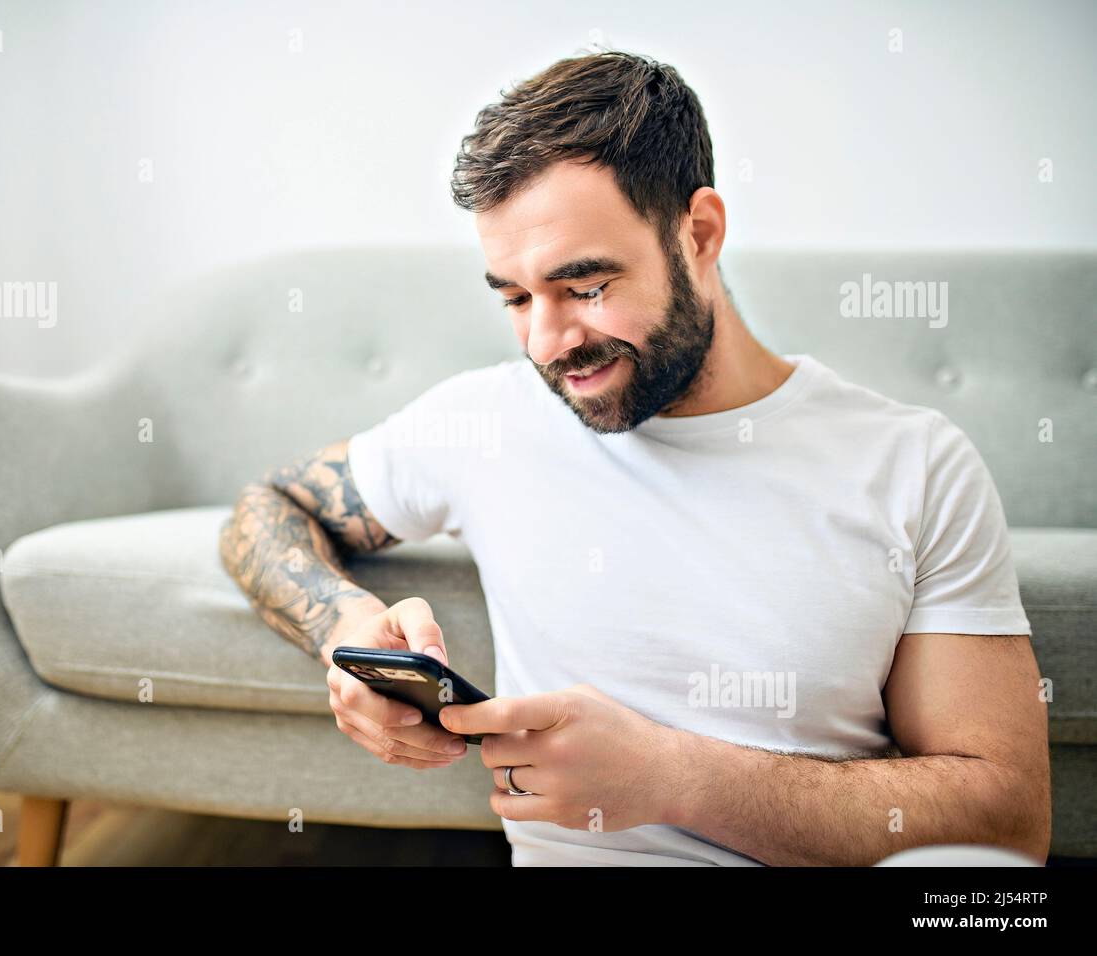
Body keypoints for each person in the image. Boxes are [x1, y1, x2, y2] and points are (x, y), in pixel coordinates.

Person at [220, 50, 1049, 866]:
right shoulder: (487, 420)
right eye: (515, 296)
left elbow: (1008, 826)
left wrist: (676, 780)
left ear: (700, 234)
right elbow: (268, 509)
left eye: (585, 287)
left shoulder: (914, 465)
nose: (549, 343)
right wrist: (349, 632)